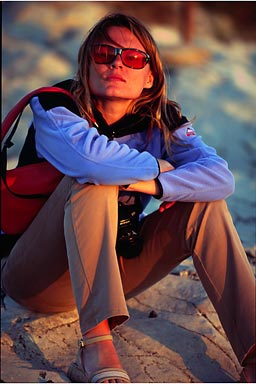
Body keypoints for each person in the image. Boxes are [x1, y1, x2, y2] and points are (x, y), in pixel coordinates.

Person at [1, 13, 255, 383]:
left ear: (149, 75)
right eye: (105, 53)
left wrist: (155, 185)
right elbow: (91, 162)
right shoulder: (57, 107)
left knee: (206, 205)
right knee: (92, 181)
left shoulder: (162, 120)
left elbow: (219, 178)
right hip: (34, 275)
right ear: (87, 65)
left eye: (133, 58)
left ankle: (251, 349)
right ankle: (97, 344)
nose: (118, 62)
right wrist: (163, 168)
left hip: (116, 271)